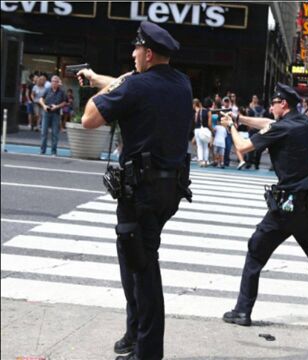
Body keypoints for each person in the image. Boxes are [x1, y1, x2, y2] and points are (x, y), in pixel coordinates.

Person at [78, 21, 192, 360]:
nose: (132, 54)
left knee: (143, 267)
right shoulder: (182, 84)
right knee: (134, 260)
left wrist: (102, 87)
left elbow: (89, 119)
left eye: (136, 49)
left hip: (140, 193)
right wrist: (106, 79)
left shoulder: (136, 86)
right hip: (167, 189)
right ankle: (133, 335)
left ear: (149, 52)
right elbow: (137, 89)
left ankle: (148, 351)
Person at [220, 83, 308, 327]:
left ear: (284, 104)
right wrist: (240, 117)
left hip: (286, 207)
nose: (270, 107)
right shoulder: (303, 123)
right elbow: (268, 124)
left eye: (273, 104)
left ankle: (242, 310)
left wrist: (231, 127)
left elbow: (242, 147)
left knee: (255, 251)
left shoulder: (282, 128)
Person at [38, 75, 67, 156]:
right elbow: (41, 99)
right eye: (53, 81)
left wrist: (57, 106)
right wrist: (44, 106)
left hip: (56, 113)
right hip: (46, 112)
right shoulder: (47, 90)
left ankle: (53, 151)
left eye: (56, 81)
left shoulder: (62, 92)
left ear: (58, 83)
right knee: (44, 132)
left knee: (55, 133)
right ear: (51, 82)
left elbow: (65, 102)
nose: (54, 83)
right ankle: (42, 151)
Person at [193, 98, 212, 167]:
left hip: (197, 129)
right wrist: (212, 130)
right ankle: (206, 161)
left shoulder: (198, 110)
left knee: (199, 146)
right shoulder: (208, 111)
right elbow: (209, 123)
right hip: (205, 129)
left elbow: (195, 120)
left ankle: (201, 161)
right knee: (205, 146)